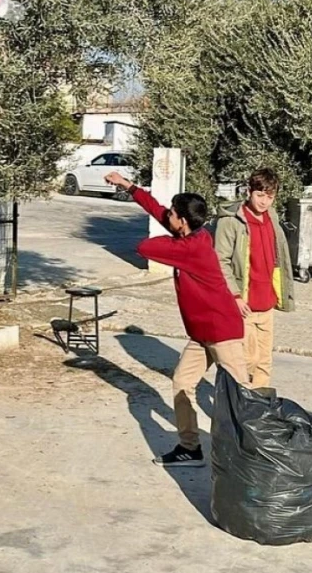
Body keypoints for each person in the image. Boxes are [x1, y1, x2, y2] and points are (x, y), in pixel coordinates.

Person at [104, 171, 250, 468]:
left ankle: (252, 450)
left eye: (172, 214)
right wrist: (128, 186)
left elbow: (144, 248)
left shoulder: (191, 248)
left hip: (222, 331)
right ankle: (189, 447)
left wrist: (167, 234)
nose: (166, 215)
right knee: (183, 382)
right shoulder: (189, 236)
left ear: (182, 221)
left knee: (241, 394)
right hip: (201, 333)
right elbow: (158, 210)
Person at [213, 168, 295, 389]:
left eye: (270, 196)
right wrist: (235, 296)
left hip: (266, 303)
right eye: (260, 195)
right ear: (249, 191)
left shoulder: (272, 217)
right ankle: (236, 405)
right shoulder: (230, 222)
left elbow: (280, 259)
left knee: (264, 363)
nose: (264, 201)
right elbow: (220, 261)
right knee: (246, 361)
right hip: (243, 305)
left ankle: (259, 411)